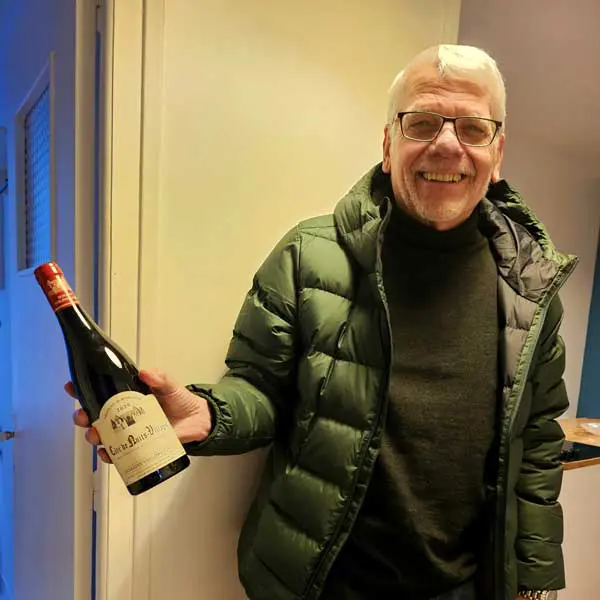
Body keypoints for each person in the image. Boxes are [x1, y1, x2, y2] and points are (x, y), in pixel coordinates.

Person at [70, 44, 576, 600]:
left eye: (473, 129)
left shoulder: (532, 286)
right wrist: (209, 414)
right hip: (322, 585)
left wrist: (535, 582)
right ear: (388, 144)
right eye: (422, 123)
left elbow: (538, 443)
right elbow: (260, 390)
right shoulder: (308, 255)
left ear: (497, 151)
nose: (448, 144)